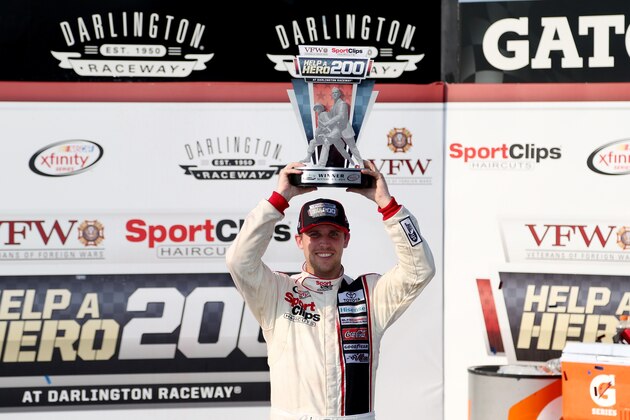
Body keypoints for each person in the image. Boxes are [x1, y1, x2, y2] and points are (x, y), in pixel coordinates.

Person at [225, 160, 435, 420]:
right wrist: (280, 199)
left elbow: (420, 269)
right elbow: (239, 261)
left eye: (333, 234)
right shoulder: (277, 292)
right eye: (315, 234)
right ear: (299, 240)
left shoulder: (369, 294)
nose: (324, 243)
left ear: (346, 239)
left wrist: (387, 204)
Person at [301, 87, 363, 168]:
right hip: (336, 130)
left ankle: (360, 162)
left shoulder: (342, 104)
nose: (334, 94)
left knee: (353, 147)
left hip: (345, 129)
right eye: (333, 93)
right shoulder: (333, 107)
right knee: (326, 142)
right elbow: (327, 118)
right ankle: (321, 165)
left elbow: (341, 116)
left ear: (339, 94)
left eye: (336, 92)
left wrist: (328, 123)